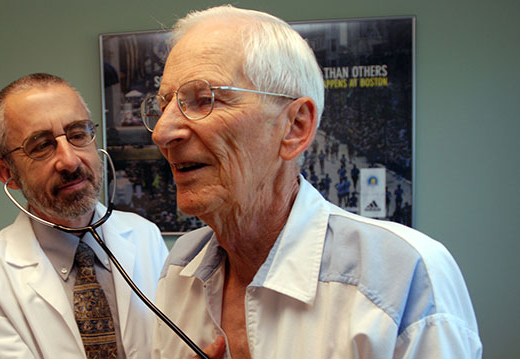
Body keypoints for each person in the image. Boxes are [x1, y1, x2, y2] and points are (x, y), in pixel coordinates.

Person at [142, 5, 481, 358]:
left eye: (204, 100)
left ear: (295, 127)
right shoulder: (181, 266)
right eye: (164, 104)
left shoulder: (403, 276)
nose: (163, 132)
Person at [0, 73, 169, 358]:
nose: (69, 160)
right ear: (8, 174)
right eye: (41, 145)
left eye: (78, 135)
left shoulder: (146, 237)